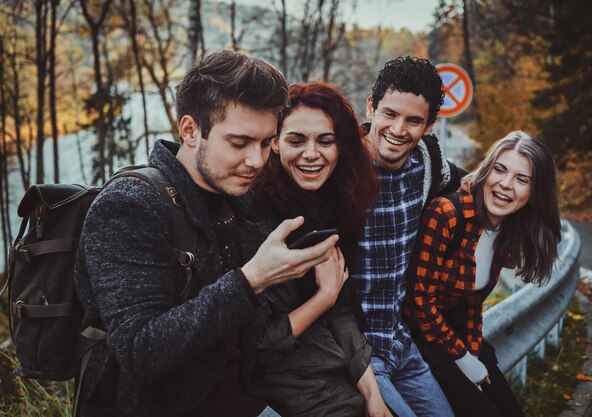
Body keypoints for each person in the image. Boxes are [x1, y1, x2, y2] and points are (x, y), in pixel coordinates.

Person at [73, 50, 340, 417]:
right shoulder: (131, 205)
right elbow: (139, 353)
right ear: (190, 130)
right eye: (239, 142)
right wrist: (252, 279)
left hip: (250, 396)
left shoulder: (236, 196)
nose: (257, 161)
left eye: (266, 143)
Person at [249, 81, 392, 417]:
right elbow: (258, 347)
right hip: (282, 387)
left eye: (325, 141)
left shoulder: (336, 205)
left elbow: (340, 310)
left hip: (333, 367)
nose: (311, 154)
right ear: (275, 144)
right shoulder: (254, 218)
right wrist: (322, 297)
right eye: (296, 140)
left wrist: (373, 394)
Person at [403, 131, 562, 417]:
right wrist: (464, 359)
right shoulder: (447, 214)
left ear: (534, 192)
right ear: (486, 170)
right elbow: (419, 305)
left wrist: (474, 353)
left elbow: (473, 303)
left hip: (455, 331)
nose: (505, 184)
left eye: (521, 179)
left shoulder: (506, 229)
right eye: (500, 170)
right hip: (420, 338)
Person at [350, 56, 464, 417]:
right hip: (356, 352)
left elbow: (471, 186)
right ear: (371, 107)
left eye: (414, 120)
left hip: (402, 342)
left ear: (429, 126)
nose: (398, 129)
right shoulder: (339, 167)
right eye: (389, 114)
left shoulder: (428, 162)